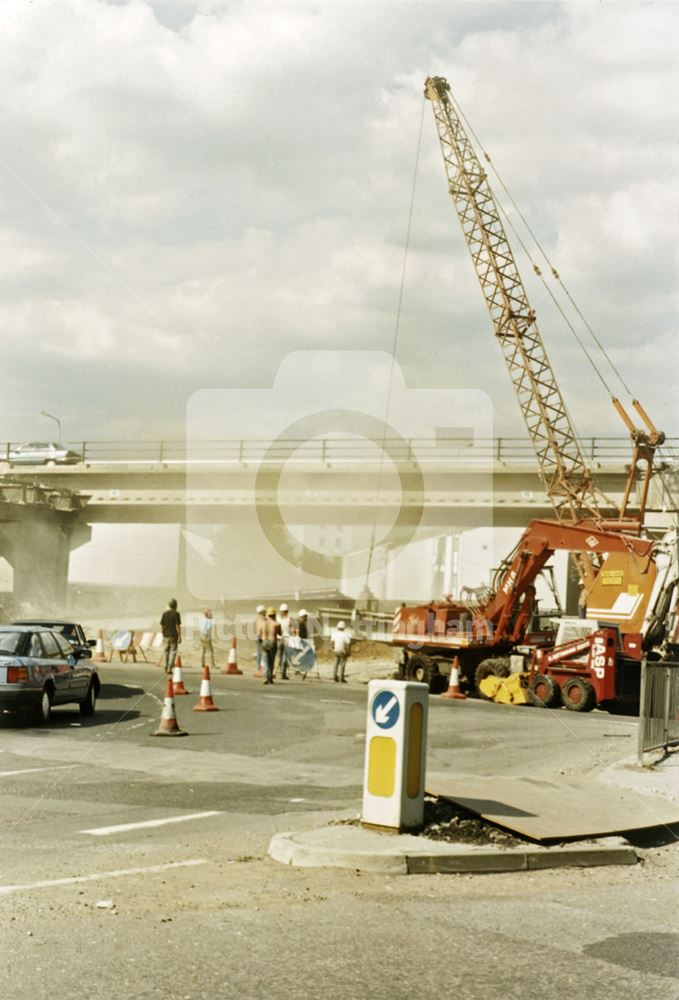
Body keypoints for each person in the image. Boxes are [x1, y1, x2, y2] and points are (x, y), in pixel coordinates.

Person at [160, 598, 182, 674]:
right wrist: (179, 636)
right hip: (173, 636)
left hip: (166, 635)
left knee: (166, 651)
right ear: (175, 605)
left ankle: (165, 666)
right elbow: (177, 626)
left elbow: (162, 625)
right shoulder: (176, 614)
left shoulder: (165, 614)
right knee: (173, 651)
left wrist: (162, 634)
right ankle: (169, 668)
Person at [260, 607, 280, 685]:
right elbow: (280, 634)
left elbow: (260, 633)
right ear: (274, 615)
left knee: (265, 661)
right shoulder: (276, 624)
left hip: (264, 642)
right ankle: (270, 678)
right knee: (271, 661)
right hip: (272, 642)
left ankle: (265, 677)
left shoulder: (263, 623)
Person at [277, 603, 293, 680]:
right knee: (284, 657)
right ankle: (282, 673)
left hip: (279, 639)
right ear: (287, 611)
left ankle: (279, 671)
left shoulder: (278, 619)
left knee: (279, 656)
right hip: (287, 639)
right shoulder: (289, 619)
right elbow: (292, 630)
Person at [255, 604, 267, 673]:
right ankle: (261, 667)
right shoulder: (262, 619)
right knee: (262, 653)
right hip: (261, 637)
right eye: (264, 611)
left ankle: (259, 667)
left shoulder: (257, 618)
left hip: (258, 636)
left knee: (259, 652)